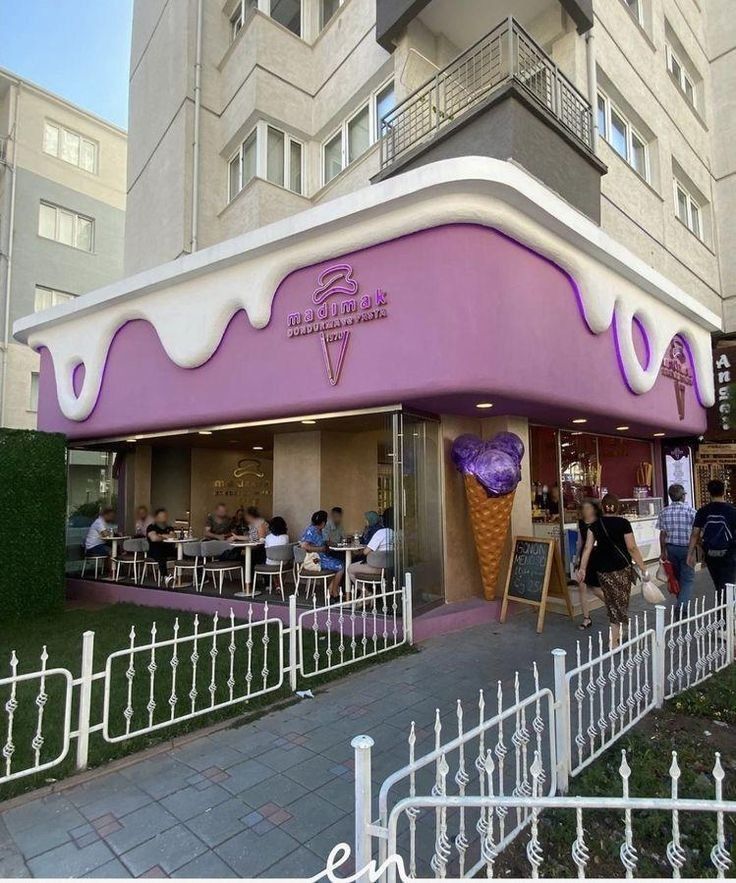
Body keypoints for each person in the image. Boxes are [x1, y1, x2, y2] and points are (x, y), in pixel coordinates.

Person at [577, 494, 650, 648]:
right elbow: (632, 548)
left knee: (612, 601)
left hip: (603, 570)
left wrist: (582, 568)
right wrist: (643, 567)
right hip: (622, 568)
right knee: (620, 602)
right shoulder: (623, 523)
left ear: (602, 508)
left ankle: (617, 634)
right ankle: (614, 640)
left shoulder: (595, 525)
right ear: (617, 507)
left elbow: (588, 548)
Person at [687, 479, 736, 603]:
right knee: (728, 585)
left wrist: (690, 553)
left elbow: (695, 534)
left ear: (709, 493)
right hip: (729, 554)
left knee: (719, 585)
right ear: (724, 492)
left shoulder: (703, 511)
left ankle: (722, 615)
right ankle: (726, 617)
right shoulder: (732, 510)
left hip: (710, 554)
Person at [656, 483, 697, 615]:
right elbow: (696, 533)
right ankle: (681, 607)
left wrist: (663, 551)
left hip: (671, 549)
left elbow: (662, 534)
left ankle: (680, 602)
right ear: (683, 496)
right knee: (688, 579)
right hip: (687, 549)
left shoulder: (664, 512)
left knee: (676, 577)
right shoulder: (691, 511)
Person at [574, 499, 604, 630]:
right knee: (582, 586)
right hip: (584, 556)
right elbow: (580, 542)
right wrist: (577, 558)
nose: (585, 511)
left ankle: (613, 606)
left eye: (588, 508)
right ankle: (586, 618)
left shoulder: (599, 522)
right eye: (584, 508)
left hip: (597, 555)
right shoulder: (580, 523)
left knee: (596, 588)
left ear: (594, 509)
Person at [300, 510, 344, 598]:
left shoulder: (318, 530)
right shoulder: (311, 530)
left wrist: (333, 544)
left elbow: (324, 541)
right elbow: (304, 546)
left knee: (341, 560)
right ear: (323, 522)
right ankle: (334, 592)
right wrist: (320, 549)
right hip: (316, 559)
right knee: (341, 566)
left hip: (322, 556)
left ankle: (330, 590)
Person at [349, 507, 395, 584]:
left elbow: (365, 552)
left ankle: (366, 592)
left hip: (379, 567)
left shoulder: (381, 533)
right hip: (392, 568)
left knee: (350, 568)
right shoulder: (396, 533)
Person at [146, 508, 177, 585]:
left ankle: (199, 577)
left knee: (185, 553)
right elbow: (154, 538)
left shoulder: (169, 527)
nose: (164, 518)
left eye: (165, 516)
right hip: (155, 551)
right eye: (161, 516)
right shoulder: (151, 527)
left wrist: (161, 535)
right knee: (160, 554)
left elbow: (173, 535)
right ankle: (165, 576)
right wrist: (166, 536)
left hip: (169, 549)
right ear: (156, 517)